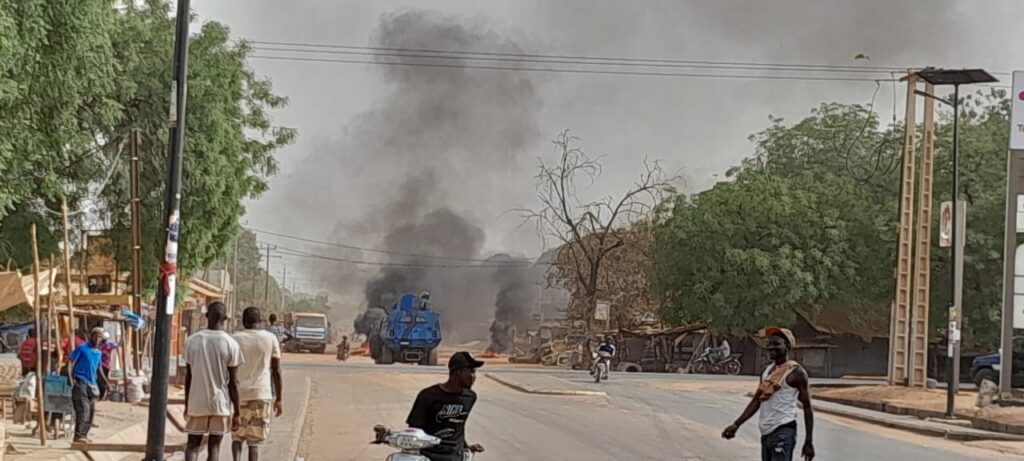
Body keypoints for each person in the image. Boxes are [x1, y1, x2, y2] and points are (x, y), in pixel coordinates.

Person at [722, 327, 814, 461]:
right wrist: (736, 424)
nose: (771, 347)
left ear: (787, 346)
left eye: (777, 344)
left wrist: (808, 441)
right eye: (769, 344)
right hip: (766, 433)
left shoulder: (796, 373)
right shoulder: (766, 372)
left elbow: (807, 408)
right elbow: (756, 401)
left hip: (784, 430)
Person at [184, 302, 244, 461]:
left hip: (197, 402)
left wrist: (186, 405)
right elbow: (234, 382)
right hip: (220, 404)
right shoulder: (231, 344)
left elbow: (188, 377)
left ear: (206, 316)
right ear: (225, 318)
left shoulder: (192, 341)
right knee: (214, 447)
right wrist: (237, 411)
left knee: (192, 445)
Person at [406, 352, 485, 461]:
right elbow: (414, 429)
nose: (474, 377)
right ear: (458, 372)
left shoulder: (470, 397)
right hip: (428, 456)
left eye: (474, 372)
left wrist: (466, 447)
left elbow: (458, 427)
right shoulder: (428, 395)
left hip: (455, 456)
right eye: (471, 371)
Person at [231, 307, 283, 461]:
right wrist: (279, 398)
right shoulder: (270, 338)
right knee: (254, 442)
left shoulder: (234, 339)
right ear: (260, 321)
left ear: (243, 321)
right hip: (262, 395)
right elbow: (277, 371)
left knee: (237, 437)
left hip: (238, 395)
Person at [70, 327, 105, 443]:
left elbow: (99, 368)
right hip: (81, 382)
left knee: (91, 411)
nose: (97, 338)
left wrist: (106, 383)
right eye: (96, 335)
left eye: (100, 337)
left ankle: (84, 435)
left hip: (92, 384)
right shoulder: (82, 348)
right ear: (92, 336)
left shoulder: (99, 353)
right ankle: (78, 435)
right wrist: (71, 377)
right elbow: (70, 362)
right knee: (83, 409)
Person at [97, 332, 118, 400]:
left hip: (99, 364)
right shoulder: (109, 345)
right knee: (104, 380)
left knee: (100, 380)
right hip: (106, 365)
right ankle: (102, 395)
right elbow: (118, 345)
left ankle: (101, 395)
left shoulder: (99, 345)